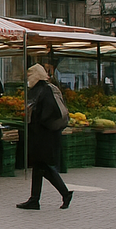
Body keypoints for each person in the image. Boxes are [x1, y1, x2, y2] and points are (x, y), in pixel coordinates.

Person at [17, 64, 73, 210]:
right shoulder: (42, 89)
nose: (28, 77)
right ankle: (34, 199)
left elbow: (48, 112)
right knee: (39, 167)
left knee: (44, 167)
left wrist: (36, 118)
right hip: (41, 135)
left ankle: (64, 193)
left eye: (30, 74)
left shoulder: (45, 89)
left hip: (43, 136)